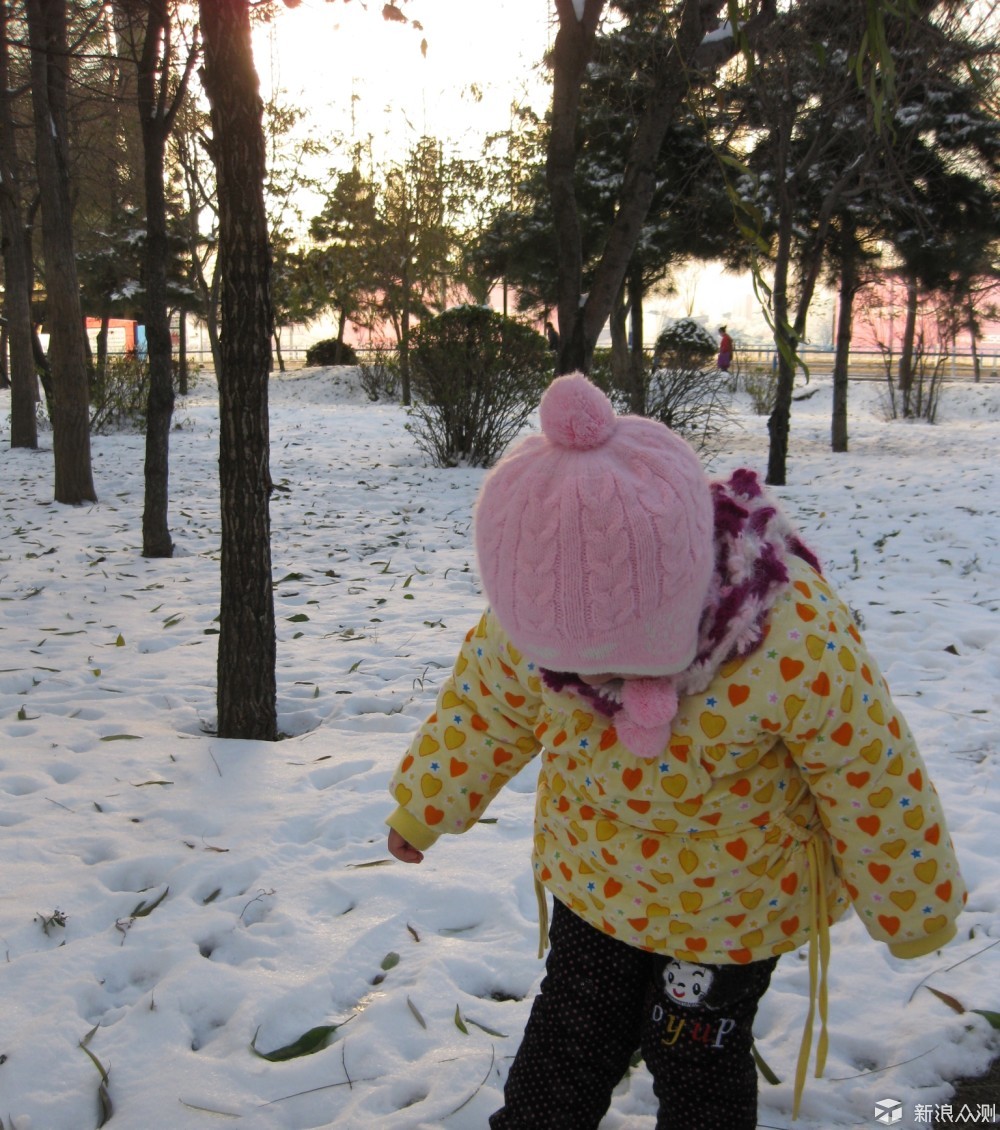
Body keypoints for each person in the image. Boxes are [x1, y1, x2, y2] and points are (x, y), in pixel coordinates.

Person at [386, 373, 965, 1130]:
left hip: (730, 908)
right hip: (597, 881)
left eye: (603, 661)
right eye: (561, 661)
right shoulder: (536, 618)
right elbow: (482, 712)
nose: (580, 680)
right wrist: (424, 807)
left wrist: (912, 905)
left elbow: (869, 771)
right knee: (571, 1035)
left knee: (693, 1055)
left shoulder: (788, 637)